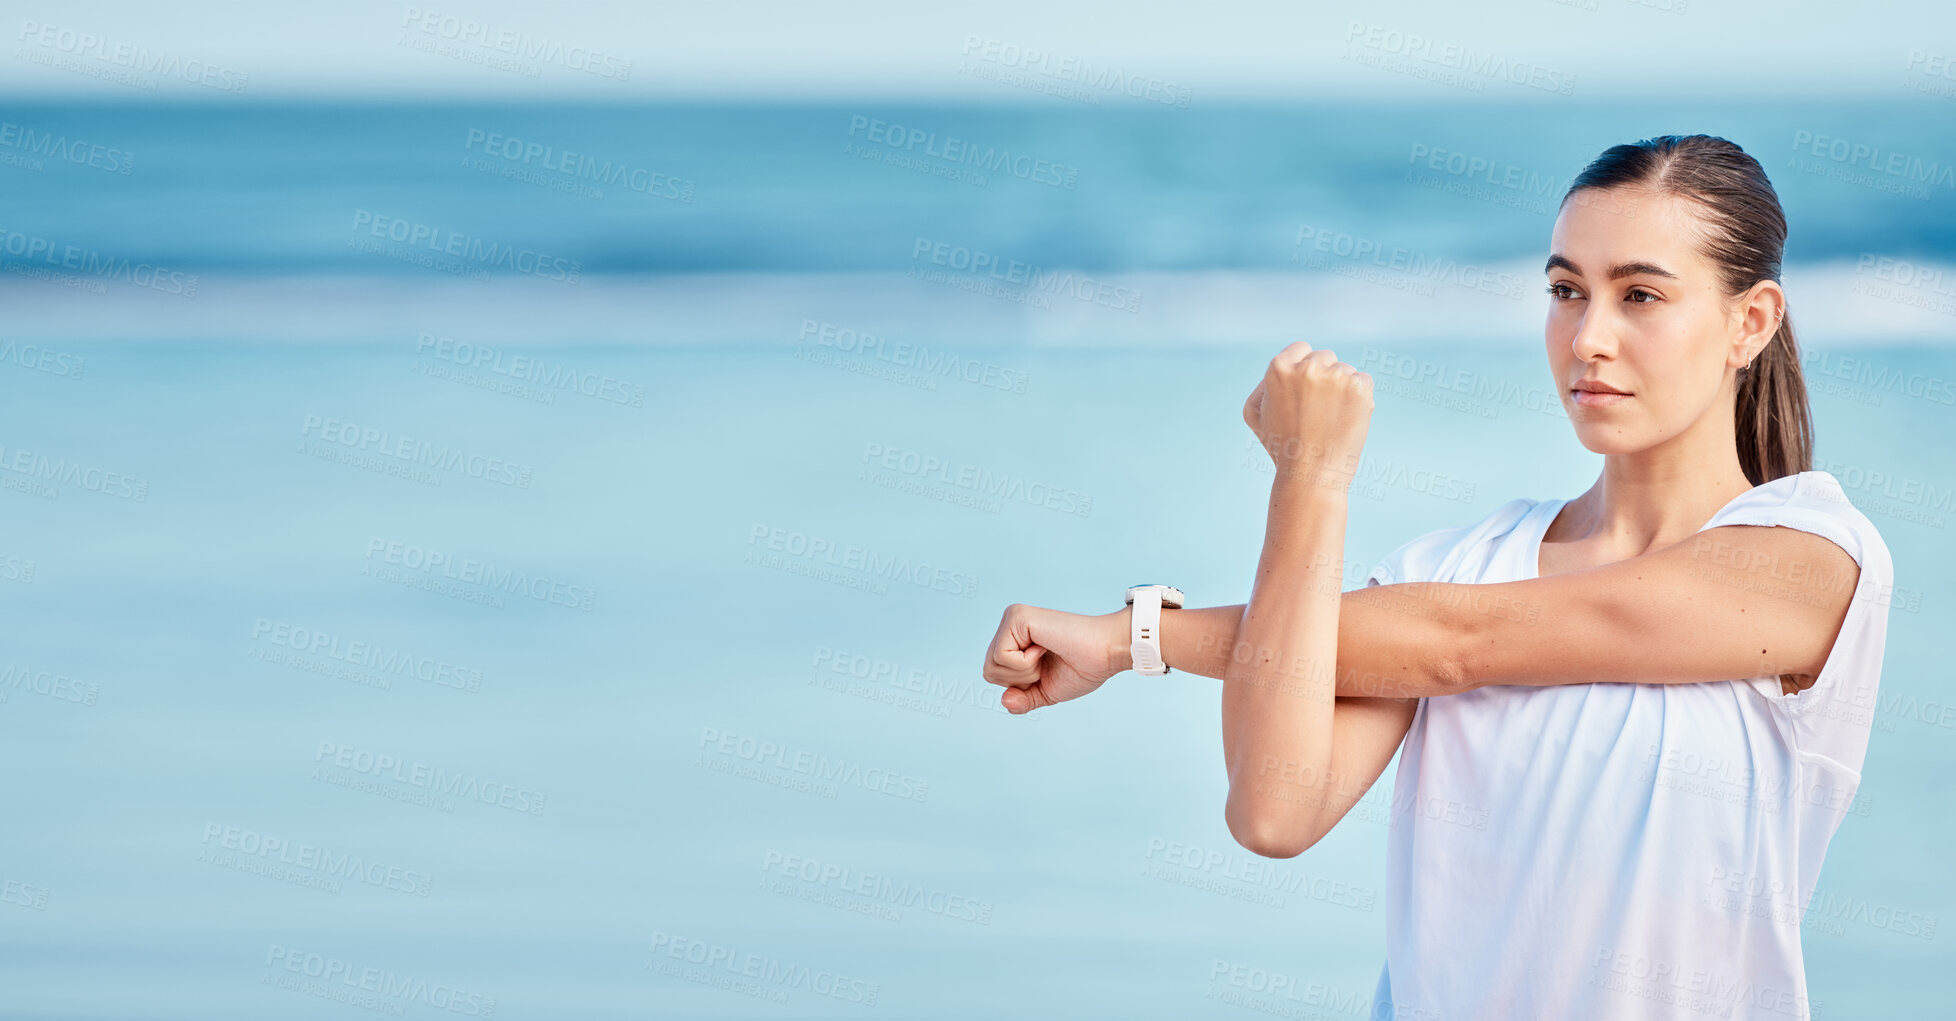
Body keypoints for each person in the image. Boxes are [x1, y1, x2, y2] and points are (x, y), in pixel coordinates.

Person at [980, 134, 1894, 1020]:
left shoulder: (1812, 555)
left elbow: (1460, 645)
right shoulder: (1445, 570)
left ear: (1752, 321)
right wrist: (1309, 476)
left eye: (1641, 295)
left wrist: (1131, 636)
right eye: (1566, 291)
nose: (1588, 338)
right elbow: (1273, 810)